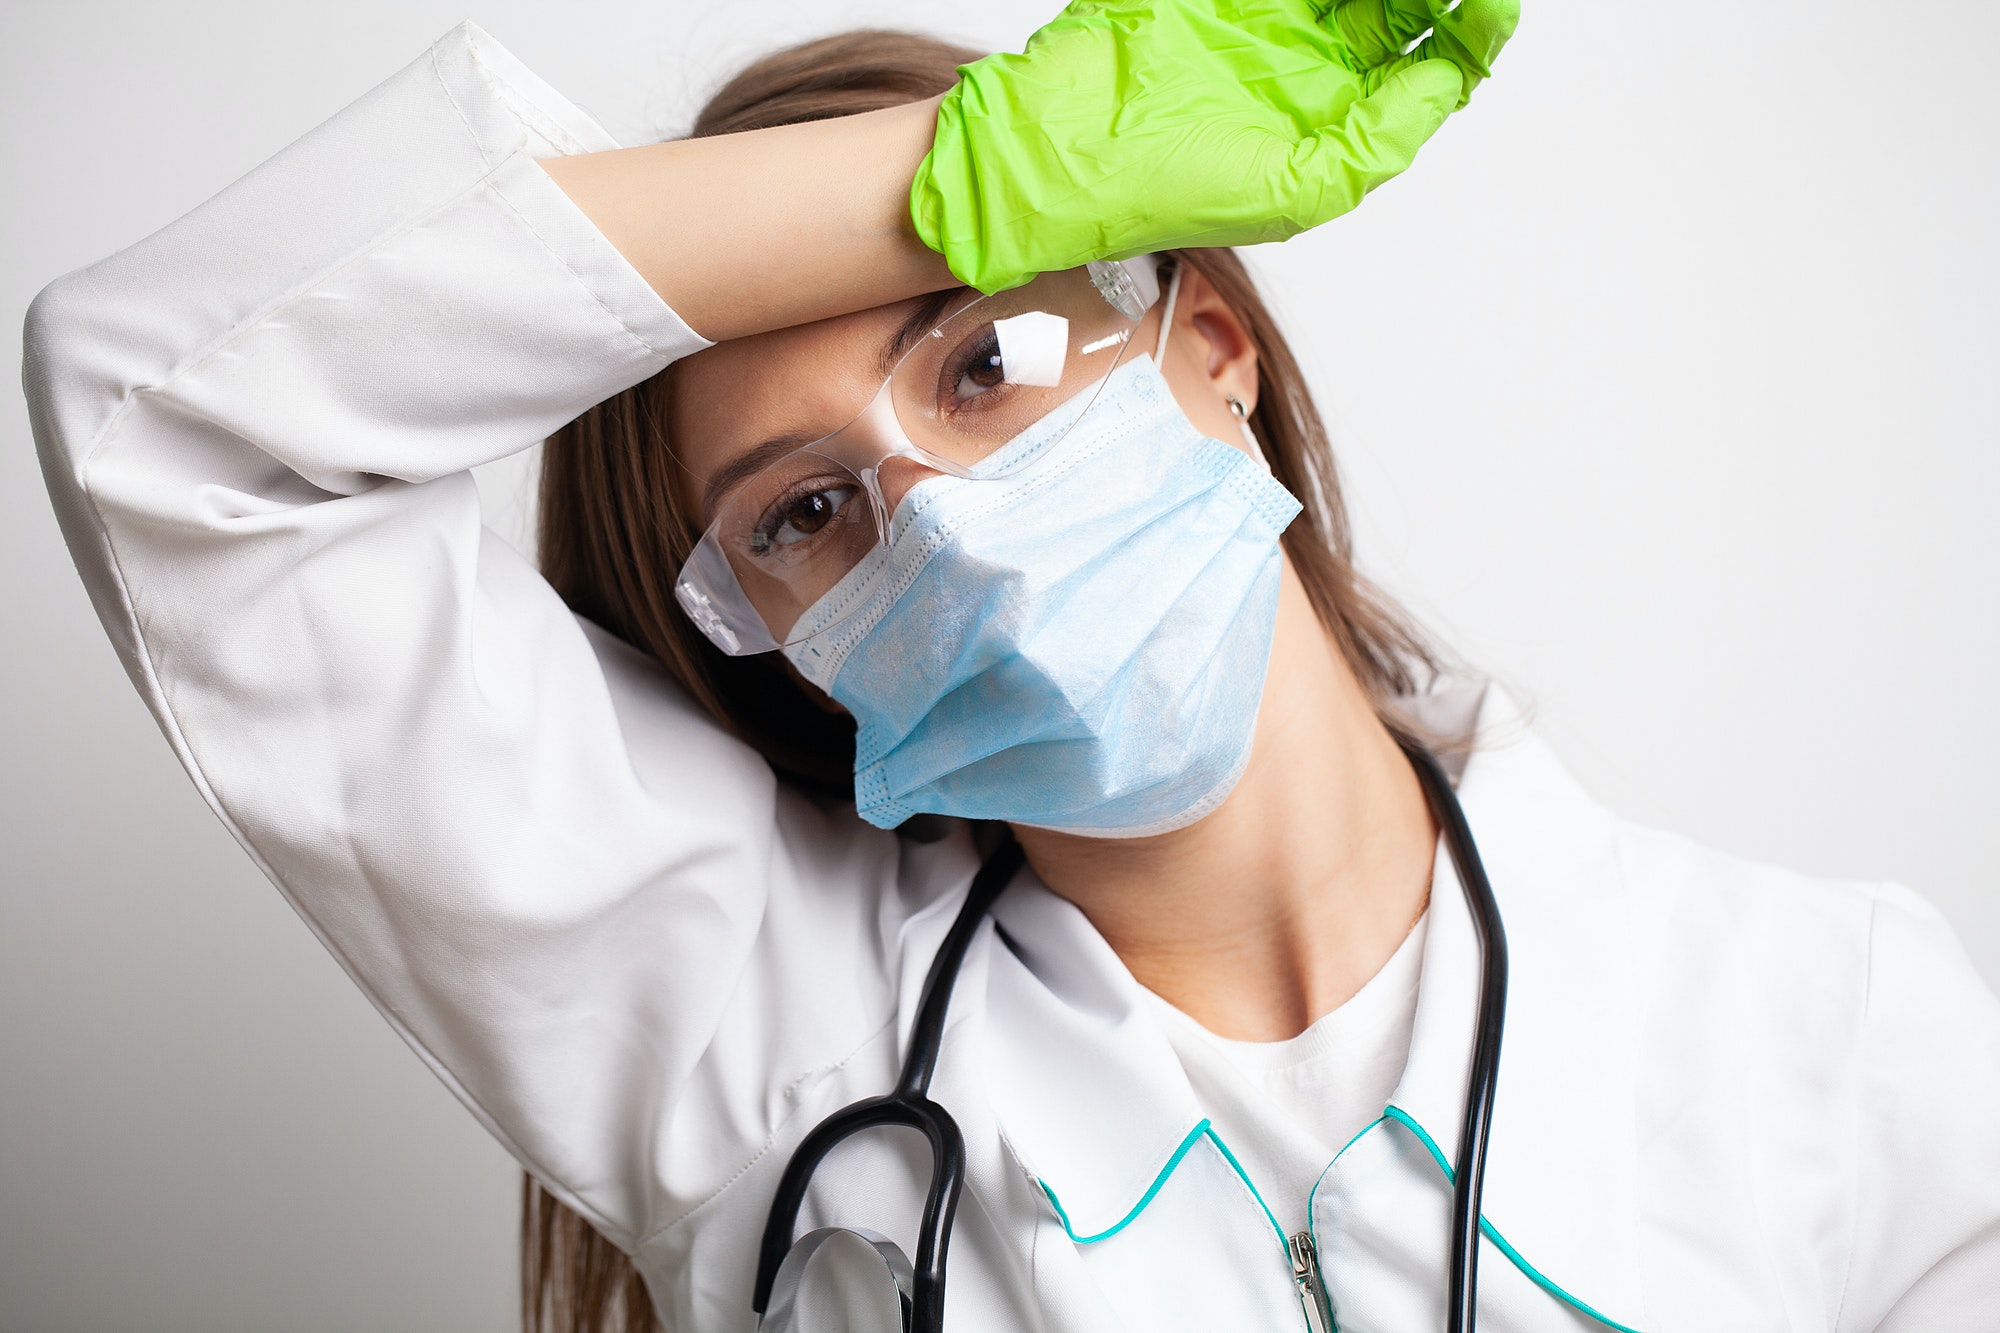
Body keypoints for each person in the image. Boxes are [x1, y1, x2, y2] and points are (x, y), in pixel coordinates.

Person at [20, 4, 2000, 1331]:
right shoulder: (750, 1021)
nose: (938, 521)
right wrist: (964, 175)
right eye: (801, 514)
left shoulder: (1833, 1027)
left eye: (983, 363)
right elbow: (158, 419)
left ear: (1209, 344)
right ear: (769, 645)